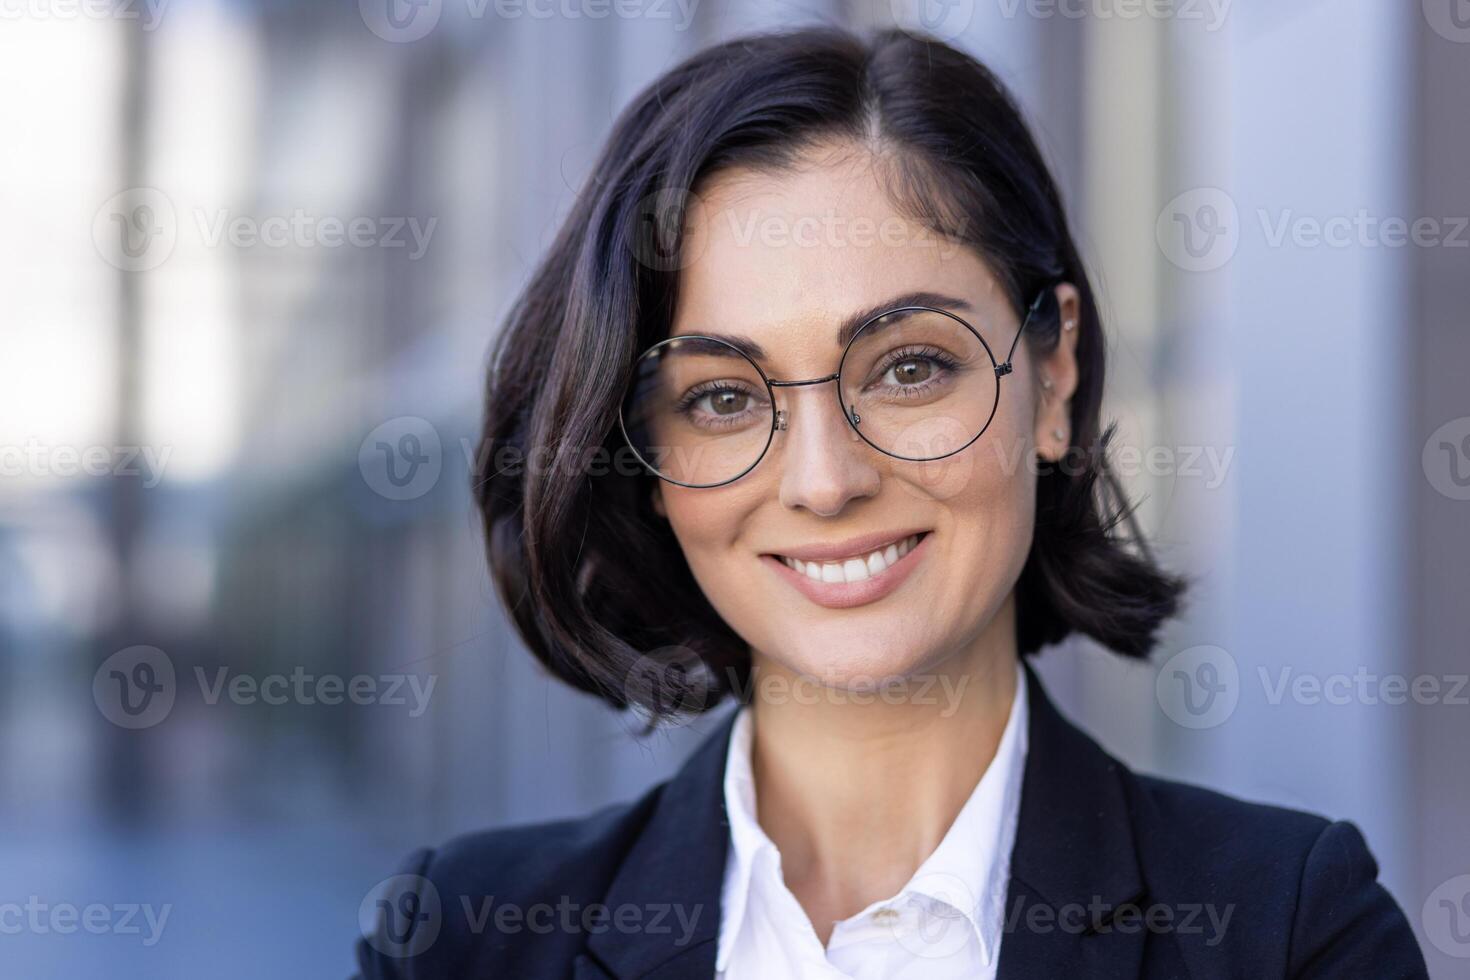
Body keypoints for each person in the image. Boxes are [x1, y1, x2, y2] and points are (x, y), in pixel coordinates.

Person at [355, 26, 1427, 979]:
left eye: (909, 367)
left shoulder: (1288, 931)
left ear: (1051, 380)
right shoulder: (459, 941)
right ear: (647, 462)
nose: (825, 480)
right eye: (723, 396)